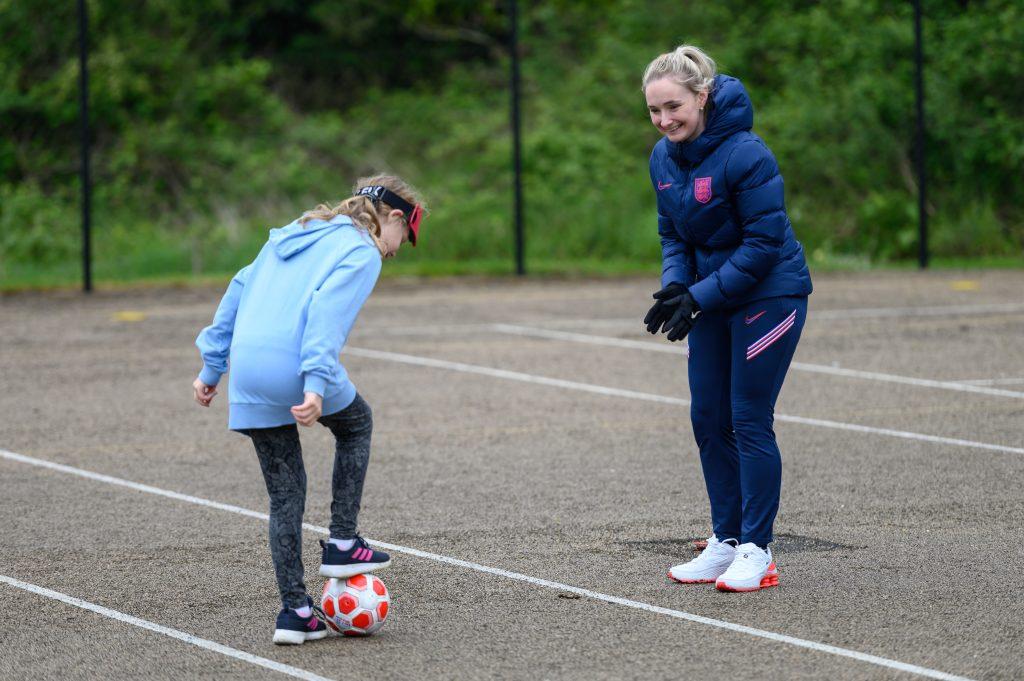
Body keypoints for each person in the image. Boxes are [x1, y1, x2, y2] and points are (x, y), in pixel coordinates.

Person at [193, 175, 426, 642]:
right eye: (406, 236)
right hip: (296, 364)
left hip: (250, 367)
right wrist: (316, 384)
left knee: (285, 495)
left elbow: (239, 286)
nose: (400, 248)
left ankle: (295, 613)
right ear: (394, 218)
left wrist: (212, 366)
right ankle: (343, 541)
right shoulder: (362, 250)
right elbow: (325, 316)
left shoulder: (296, 229)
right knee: (357, 424)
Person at [641, 46, 812, 592]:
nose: (665, 120)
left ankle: (758, 551)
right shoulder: (662, 159)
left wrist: (698, 295)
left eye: (674, 107)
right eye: (654, 111)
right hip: (712, 296)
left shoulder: (747, 154)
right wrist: (677, 285)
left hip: (770, 294)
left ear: (702, 96)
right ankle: (727, 542)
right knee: (707, 418)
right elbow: (674, 233)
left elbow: (763, 245)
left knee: (747, 418)